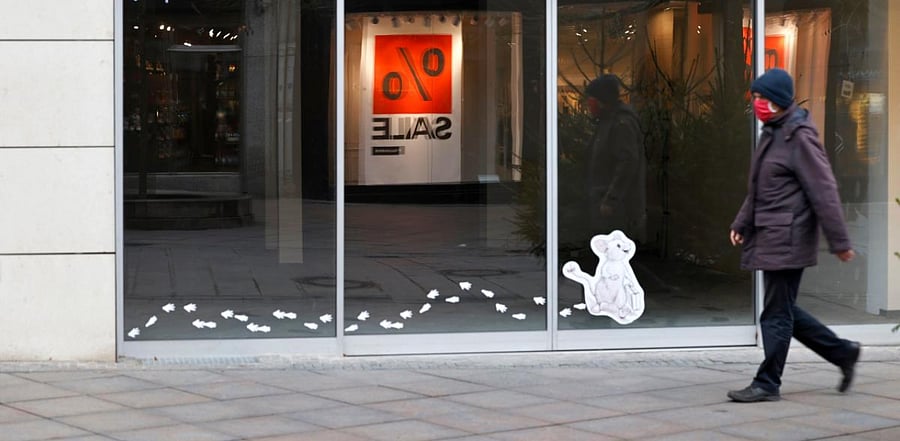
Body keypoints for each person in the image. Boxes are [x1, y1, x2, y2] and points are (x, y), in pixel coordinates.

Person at [727, 68, 860, 403]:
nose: (756, 103)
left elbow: (824, 190)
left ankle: (767, 382)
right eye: (754, 97)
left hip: (788, 236)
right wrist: (742, 222)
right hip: (772, 233)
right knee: (782, 309)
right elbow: (760, 189)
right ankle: (843, 353)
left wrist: (840, 241)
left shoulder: (799, 136)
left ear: (778, 100)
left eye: (761, 97)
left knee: (774, 313)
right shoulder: (772, 133)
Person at [583, 74, 646, 243]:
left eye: (591, 99)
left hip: (618, 210)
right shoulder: (606, 122)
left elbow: (627, 163)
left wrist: (611, 200)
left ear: (601, 101)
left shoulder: (621, 124)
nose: (588, 104)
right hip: (604, 202)